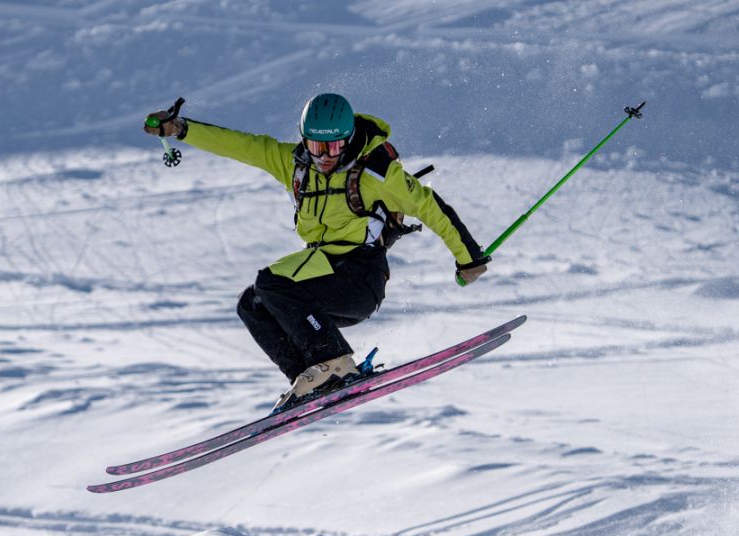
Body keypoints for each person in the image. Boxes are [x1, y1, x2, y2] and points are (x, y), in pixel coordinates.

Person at [144, 93, 489, 411]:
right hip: (322, 277)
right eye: (316, 145)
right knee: (252, 304)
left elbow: (430, 207)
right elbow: (242, 146)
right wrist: (182, 129)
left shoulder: (373, 173)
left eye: (334, 146)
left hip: (359, 279)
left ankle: (336, 364)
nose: (324, 157)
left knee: (271, 284)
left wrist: (468, 257)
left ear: (350, 138)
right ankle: (312, 377)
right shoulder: (296, 166)